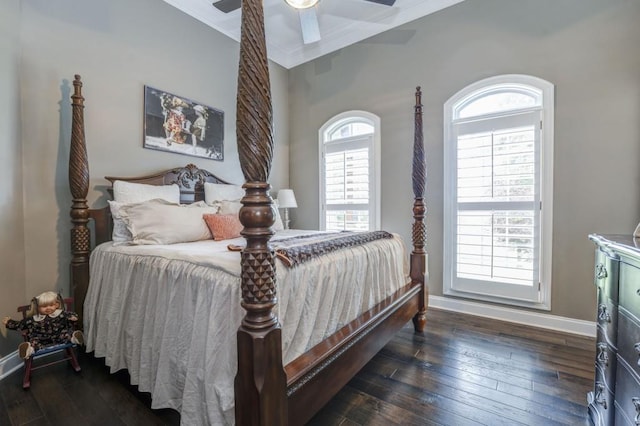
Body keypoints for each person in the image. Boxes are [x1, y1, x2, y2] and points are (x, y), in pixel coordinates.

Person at [2, 291, 84, 359]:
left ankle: (75, 338)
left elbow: (71, 314)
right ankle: (28, 350)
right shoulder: (34, 318)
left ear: (56, 305)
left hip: (59, 336)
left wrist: (74, 317)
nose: (48, 308)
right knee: (34, 342)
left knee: (67, 335)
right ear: (38, 307)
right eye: (44, 306)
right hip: (41, 340)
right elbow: (21, 325)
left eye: (51, 305)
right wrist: (9, 322)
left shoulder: (61, 314)